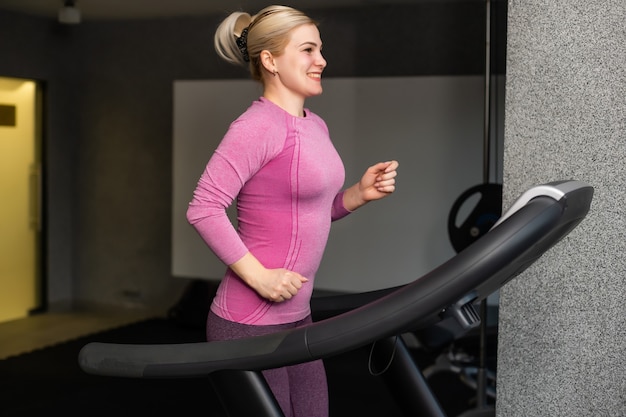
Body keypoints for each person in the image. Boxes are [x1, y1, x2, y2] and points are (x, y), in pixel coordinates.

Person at [186, 5, 399, 417]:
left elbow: (309, 213)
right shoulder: (256, 126)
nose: (321, 61)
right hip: (248, 322)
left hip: (297, 317)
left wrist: (357, 193)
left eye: (320, 50)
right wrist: (259, 276)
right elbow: (204, 208)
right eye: (307, 50)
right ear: (270, 60)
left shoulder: (314, 124)